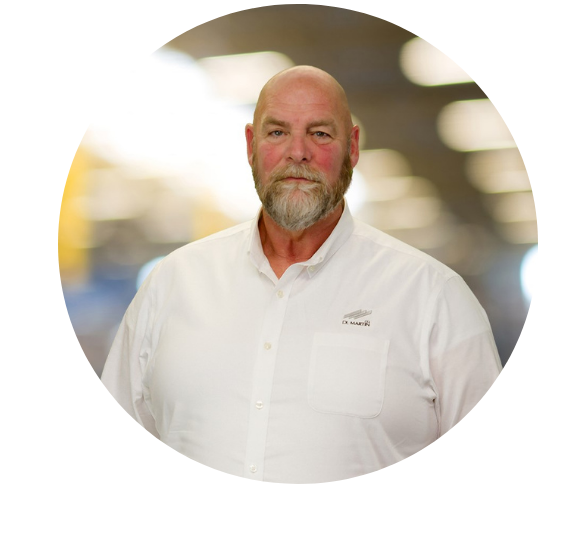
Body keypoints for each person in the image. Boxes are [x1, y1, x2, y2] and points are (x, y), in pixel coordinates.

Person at [101, 65, 502, 484]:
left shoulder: (434, 298)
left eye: (320, 133)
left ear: (353, 148)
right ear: (251, 146)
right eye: (277, 132)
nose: (297, 152)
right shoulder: (170, 285)